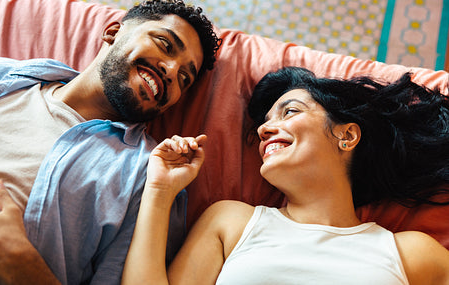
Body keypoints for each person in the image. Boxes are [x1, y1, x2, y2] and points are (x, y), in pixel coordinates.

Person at [0, 0, 221, 284]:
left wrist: (19, 264)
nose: (170, 71)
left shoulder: (150, 176)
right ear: (113, 32)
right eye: (165, 45)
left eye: (184, 77)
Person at [121, 67, 449, 285]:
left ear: (346, 136)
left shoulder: (412, 254)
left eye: (289, 111)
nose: (264, 129)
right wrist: (159, 190)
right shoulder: (232, 222)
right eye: (264, 122)